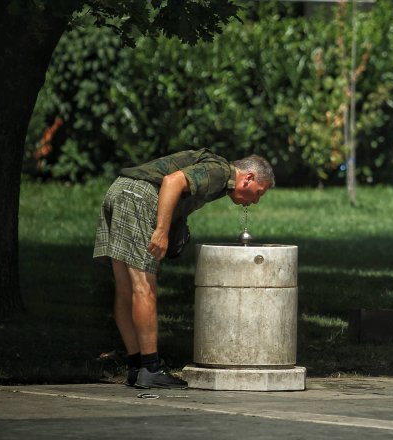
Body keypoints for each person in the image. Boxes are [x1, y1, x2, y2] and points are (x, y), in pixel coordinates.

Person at [93, 148, 275, 389]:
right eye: (258, 193)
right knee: (143, 288)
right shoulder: (221, 171)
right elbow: (172, 181)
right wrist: (161, 230)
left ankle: (137, 366)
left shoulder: (219, 177)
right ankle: (150, 367)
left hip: (120, 190)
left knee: (126, 289)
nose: (255, 200)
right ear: (249, 178)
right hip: (138, 197)